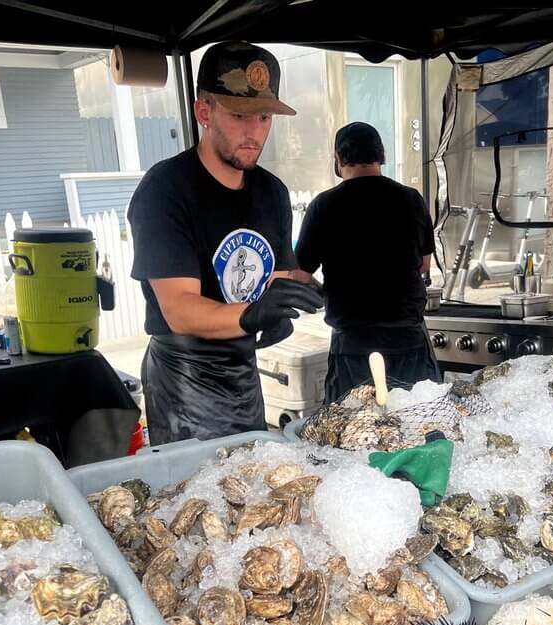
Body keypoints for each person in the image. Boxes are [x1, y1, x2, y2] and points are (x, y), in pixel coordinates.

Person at [128, 41, 323, 445]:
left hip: (242, 371)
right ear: (204, 111)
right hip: (184, 378)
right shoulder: (166, 190)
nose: (254, 133)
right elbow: (180, 309)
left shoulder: (272, 192)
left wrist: (292, 296)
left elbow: (278, 276)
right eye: (239, 115)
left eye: (264, 117)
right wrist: (252, 314)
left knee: (249, 483)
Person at [294, 122, 440, 403]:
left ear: (338, 158)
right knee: (418, 427)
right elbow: (424, 265)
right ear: (380, 155)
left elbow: (299, 276)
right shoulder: (410, 200)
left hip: (353, 346)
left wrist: (326, 293)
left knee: (352, 434)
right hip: (409, 341)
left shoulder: (323, 206)